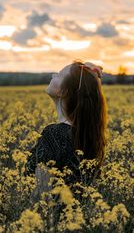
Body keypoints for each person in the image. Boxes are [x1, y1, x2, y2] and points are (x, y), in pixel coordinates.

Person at [24, 59, 108, 202]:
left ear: (64, 91)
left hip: (50, 220)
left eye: (59, 75)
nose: (52, 75)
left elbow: (41, 193)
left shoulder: (54, 135)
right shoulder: (89, 136)